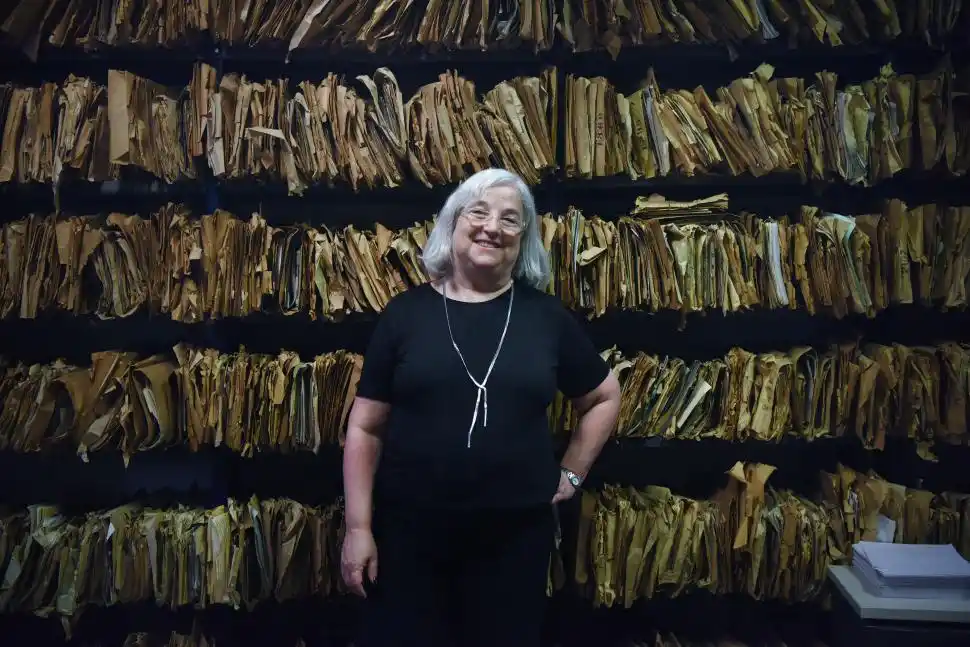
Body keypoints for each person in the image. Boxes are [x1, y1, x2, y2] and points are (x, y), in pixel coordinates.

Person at [340, 168, 621, 647]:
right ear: (453, 223)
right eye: (479, 211)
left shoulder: (547, 318)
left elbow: (603, 397)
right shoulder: (404, 315)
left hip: (514, 541)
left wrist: (573, 473)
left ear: (523, 241)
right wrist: (358, 527)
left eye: (511, 220)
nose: (493, 226)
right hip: (410, 537)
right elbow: (365, 429)